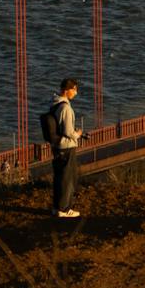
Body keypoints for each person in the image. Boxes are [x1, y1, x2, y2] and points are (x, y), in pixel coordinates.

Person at [44, 77, 82, 219]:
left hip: (57, 146)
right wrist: (77, 134)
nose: (76, 93)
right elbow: (68, 131)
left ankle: (57, 207)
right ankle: (65, 209)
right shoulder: (65, 107)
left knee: (59, 177)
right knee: (68, 178)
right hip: (66, 147)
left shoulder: (54, 104)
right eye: (74, 90)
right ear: (67, 90)